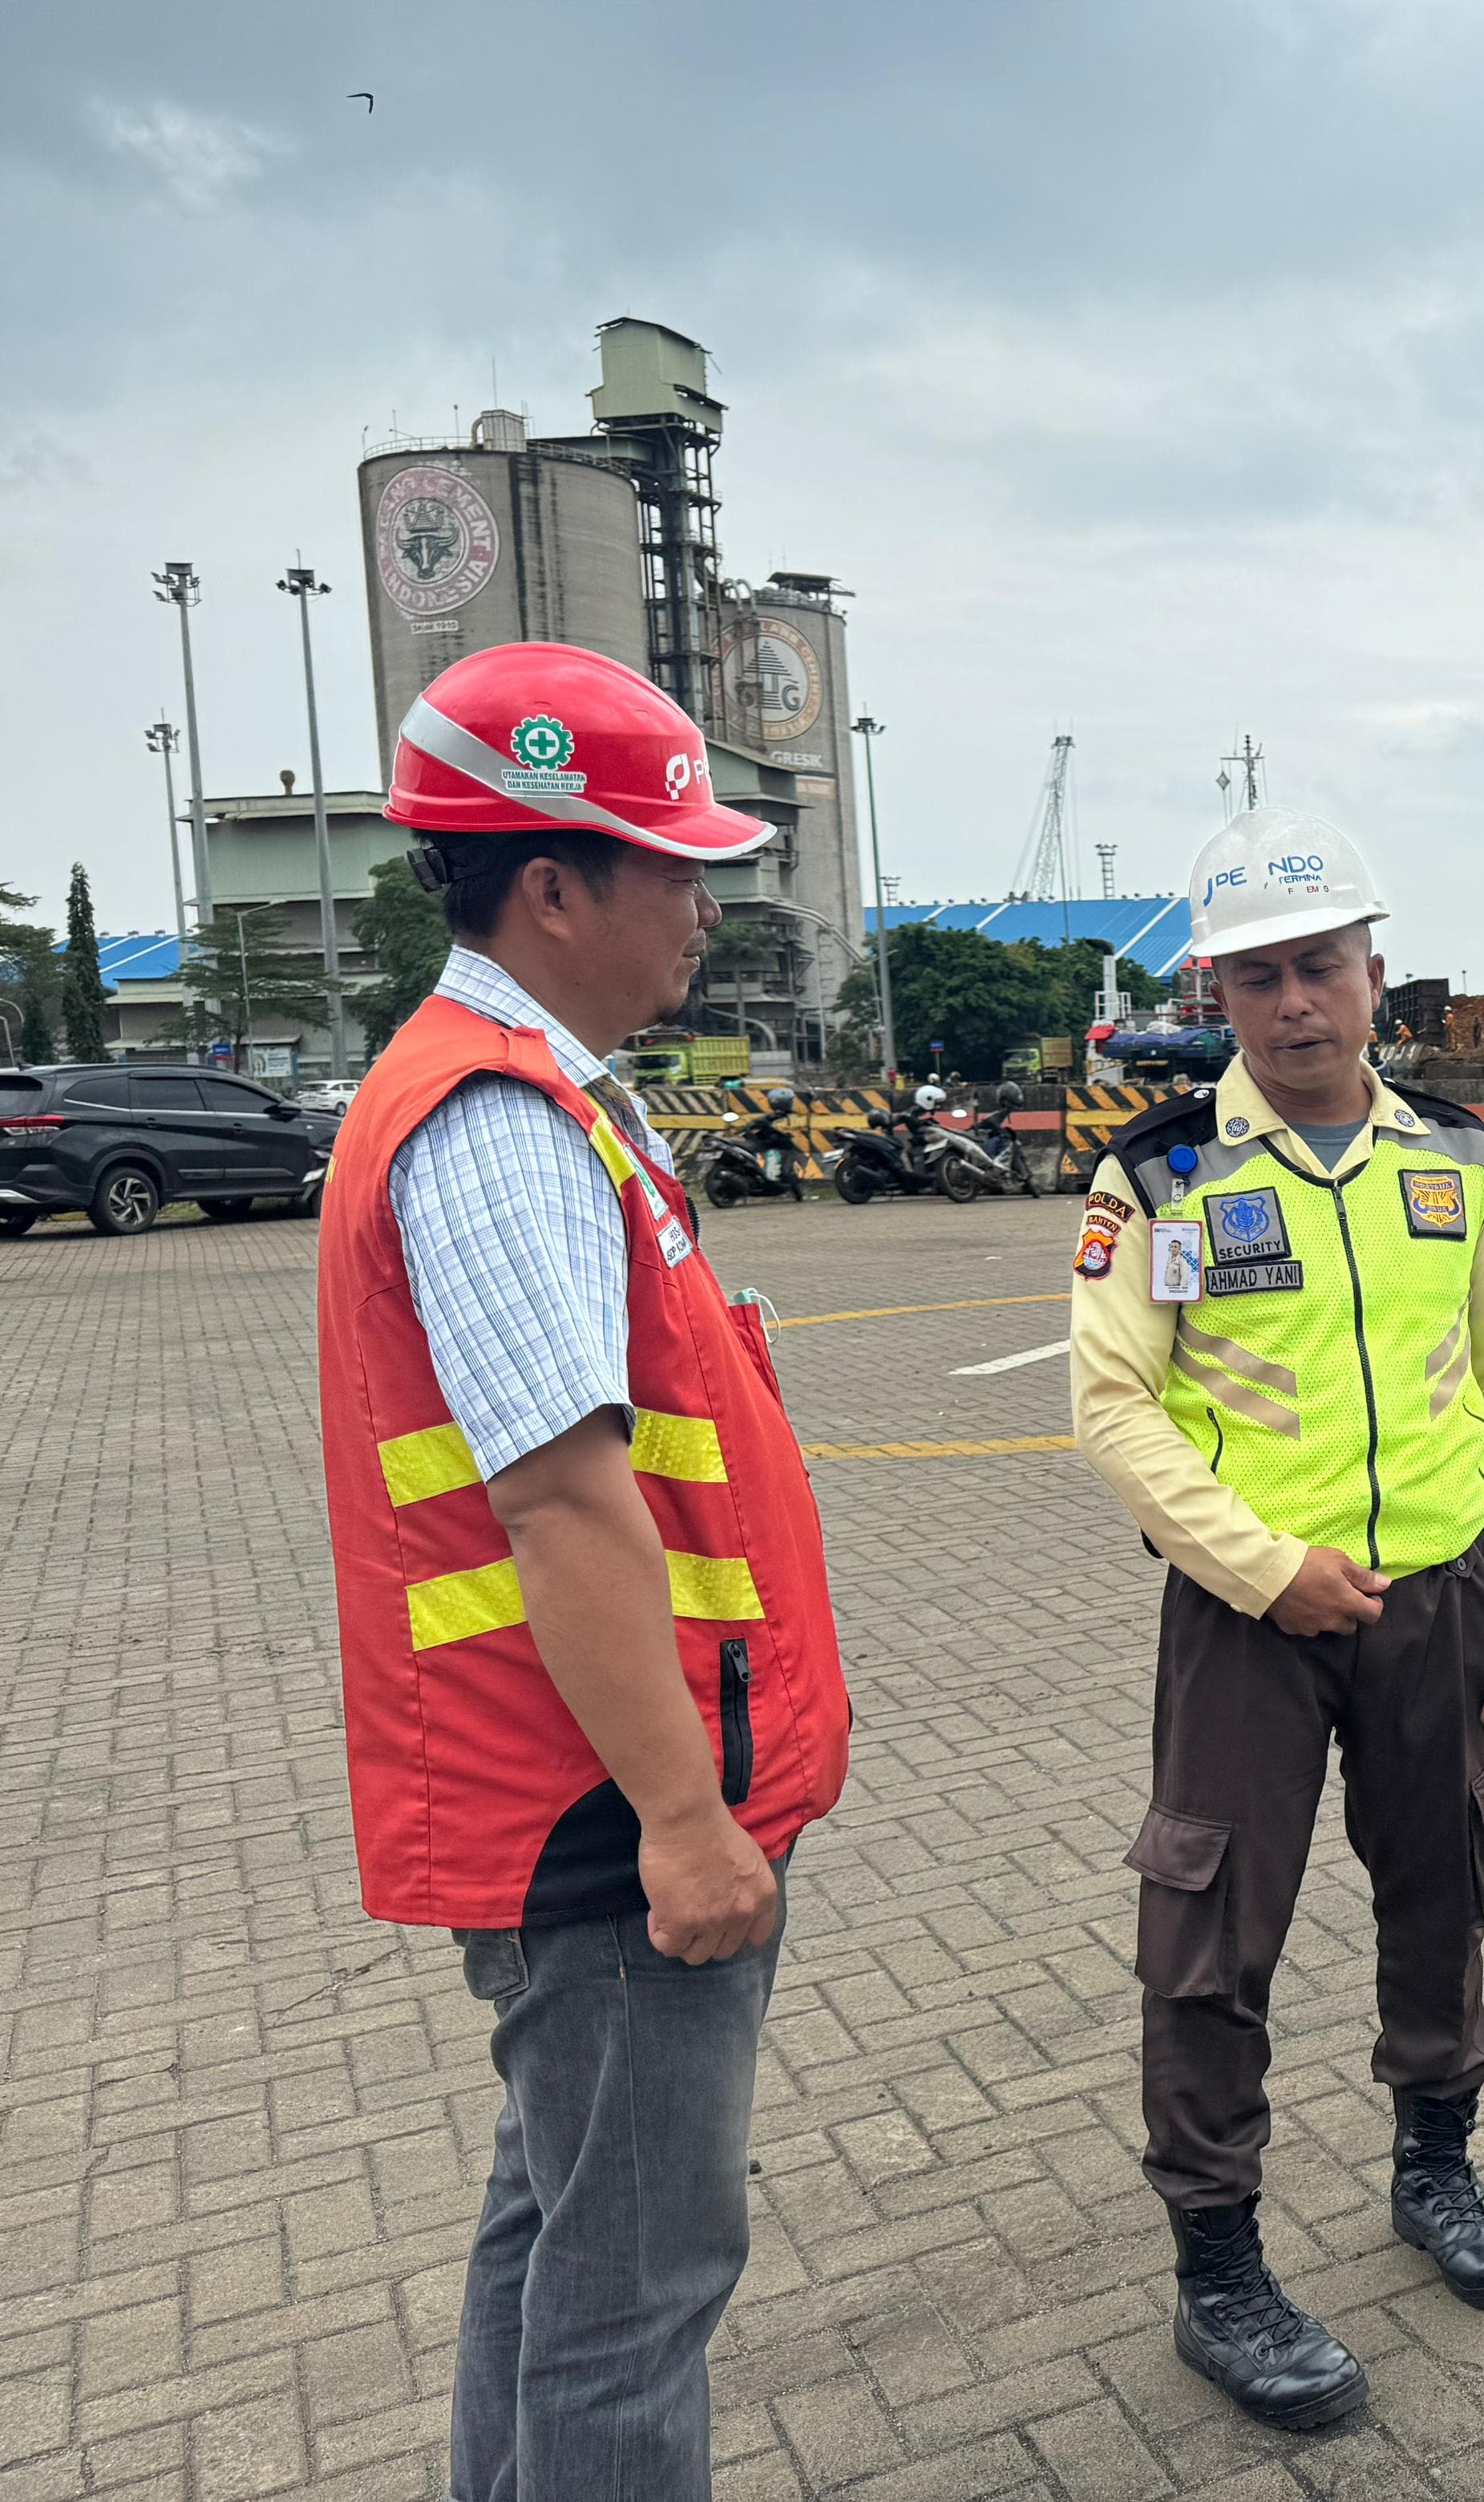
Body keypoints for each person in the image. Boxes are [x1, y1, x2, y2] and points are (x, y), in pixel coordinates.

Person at [313, 642, 851, 2500]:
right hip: (606, 1821)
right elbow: (558, 1505)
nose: (706, 906)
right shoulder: (497, 1126)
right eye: (673, 867)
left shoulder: (536, 1095)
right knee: (634, 2297)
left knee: (554, 2235)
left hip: (592, 1790)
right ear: (550, 888)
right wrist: (687, 1825)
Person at [1068, 805, 1484, 2431]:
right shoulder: (1160, 1174)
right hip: (1249, 1620)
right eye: (1258, 977)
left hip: (1440, 1596)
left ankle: (1438, 2169)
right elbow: (1114, 1407)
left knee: (1440, 1888)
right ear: (1214, 993)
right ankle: (1218, 2268)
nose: (1294, 1004)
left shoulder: (1457, 1157)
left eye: (1322, 967)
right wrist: (1259, 1564)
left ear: (1374, 973)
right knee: (1210, 1932)